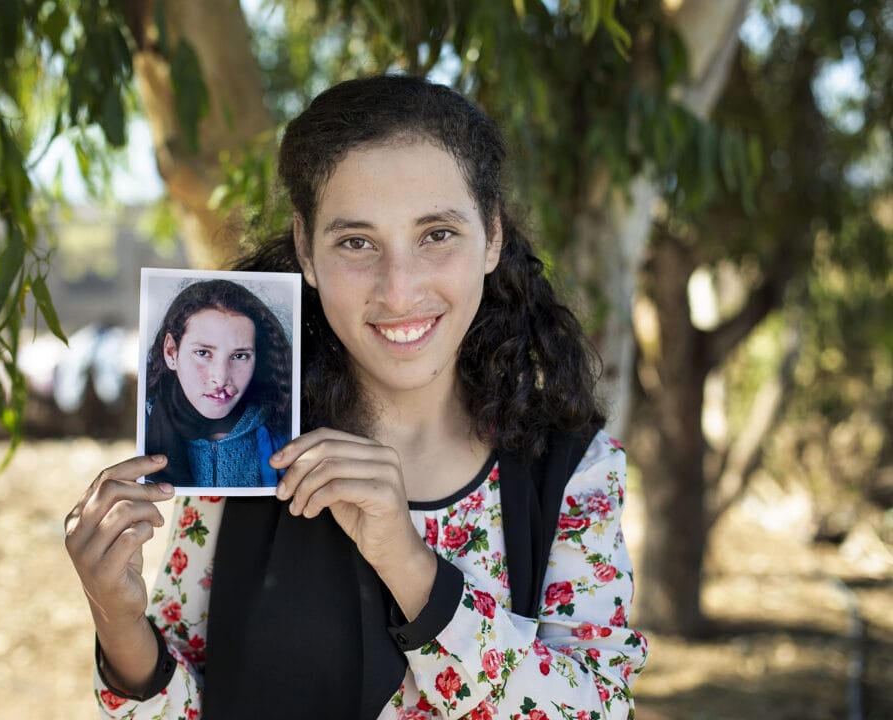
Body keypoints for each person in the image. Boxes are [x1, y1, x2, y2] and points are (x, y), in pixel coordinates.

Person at [65, 74, 648, 719]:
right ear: (306, 253)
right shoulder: (247, 459)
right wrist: (118, 622)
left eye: (436, 235)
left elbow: (597, 710)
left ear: (493, 236)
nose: (398, 291)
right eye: (356, 243)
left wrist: (407, 561)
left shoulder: (573, 471)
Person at [142, 279, 291, 488]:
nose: (220, 379)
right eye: (203, 353)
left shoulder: (286, 433)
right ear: (171, 352)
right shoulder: (139, 428)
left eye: (239, 356)